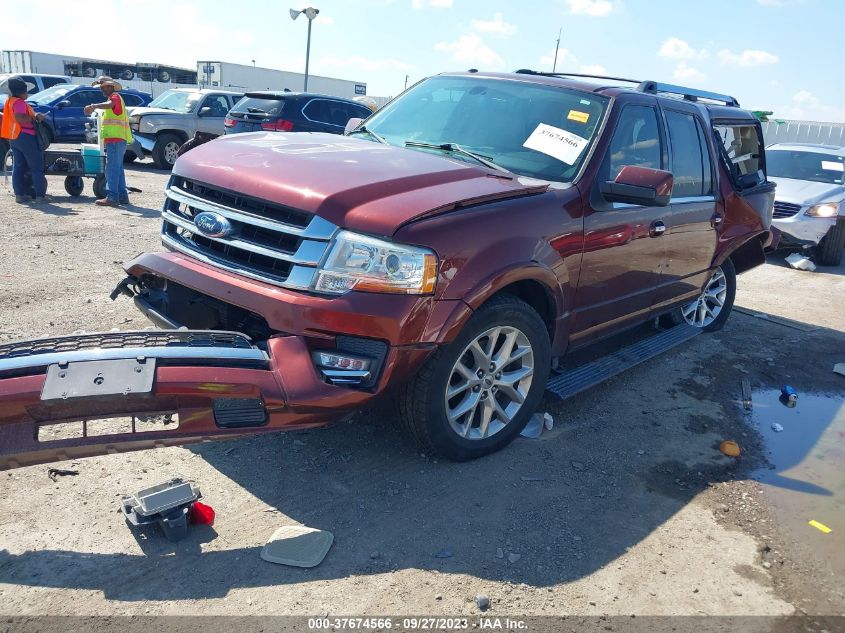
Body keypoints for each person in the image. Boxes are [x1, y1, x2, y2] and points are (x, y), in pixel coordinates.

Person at [84, 76, 132, 206]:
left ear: (110, 86)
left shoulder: (114, 97)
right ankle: (122, 197)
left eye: (103, 87)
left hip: (116, 140)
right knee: (118, 169)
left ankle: (112, 197)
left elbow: (110, 105)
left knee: (111, 169)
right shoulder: (114, 98)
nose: (101, 90)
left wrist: (93, 106)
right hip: (117, 140)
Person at [1, 76, 48, 203]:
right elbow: (20, 118)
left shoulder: (9, 101)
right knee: (36, 167)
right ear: (21, 91)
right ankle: (40, 196)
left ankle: (19, 195)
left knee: (18, 167)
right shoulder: (19, 103)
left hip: (15, 137)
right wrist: (36, 117)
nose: (27, 93)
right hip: (26, 136)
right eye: (25, 91)